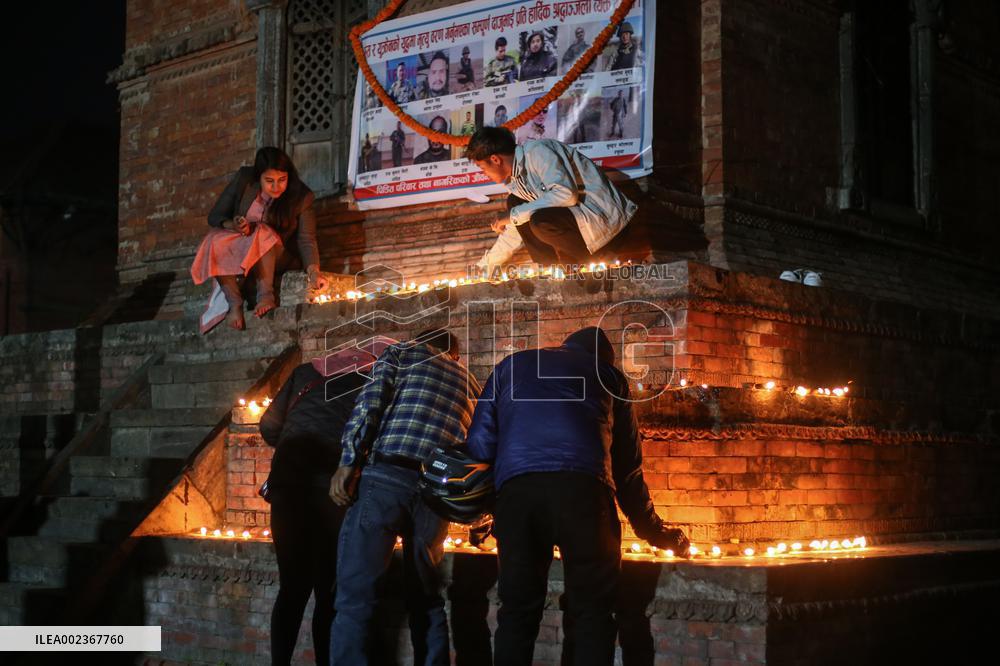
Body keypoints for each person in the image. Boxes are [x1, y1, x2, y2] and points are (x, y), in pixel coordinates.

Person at [466, 326, 690, 666]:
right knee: (592, 615)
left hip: (519, 495)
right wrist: (655, 533)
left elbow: (480, 447)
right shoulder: (610, 377)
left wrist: (485, 514)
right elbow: (628, 470)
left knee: (516, 613)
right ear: (604, 358)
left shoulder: (511, 366)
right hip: (586, 496)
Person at [329, 329, 481, 666]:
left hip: (386, 477)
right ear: (454, 353)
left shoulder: (405, 352)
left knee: (356, 598)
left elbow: (371, 403)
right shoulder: (471, 383)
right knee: (427, 600)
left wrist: (348, 461)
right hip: (434, 493)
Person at [259, 347, 380, 666]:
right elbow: (372, 436)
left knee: (292, 586)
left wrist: (293, 444)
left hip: (289, 480)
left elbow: (269, 426)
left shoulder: (304, 372)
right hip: (332, 487)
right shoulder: (374, 379)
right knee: (328, 589)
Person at [191, 146, 326, 333]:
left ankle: (266, 296)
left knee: (262, 231)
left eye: (282, 180)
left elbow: (306, 239)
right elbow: (215, 216)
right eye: (269, 181)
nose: (276, 187)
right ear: (258, 177)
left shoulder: (302, 196)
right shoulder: (244, 180)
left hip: (277, 254)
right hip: (242, 247)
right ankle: (234, 303)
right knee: (214, 239)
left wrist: (313, 271)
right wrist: (234, 225)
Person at [466, 126, 637, 269]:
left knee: (539, 220)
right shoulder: (516, 183)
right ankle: (549, 269)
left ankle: (593, 263)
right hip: (582, 233)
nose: (484, 174)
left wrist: (513, 215)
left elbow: (566, 195)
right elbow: (515, 228)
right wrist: (485, 266)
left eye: (482, 168)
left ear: (495, 159)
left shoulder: (538, 152)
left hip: (607, 227)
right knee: (516, 204)